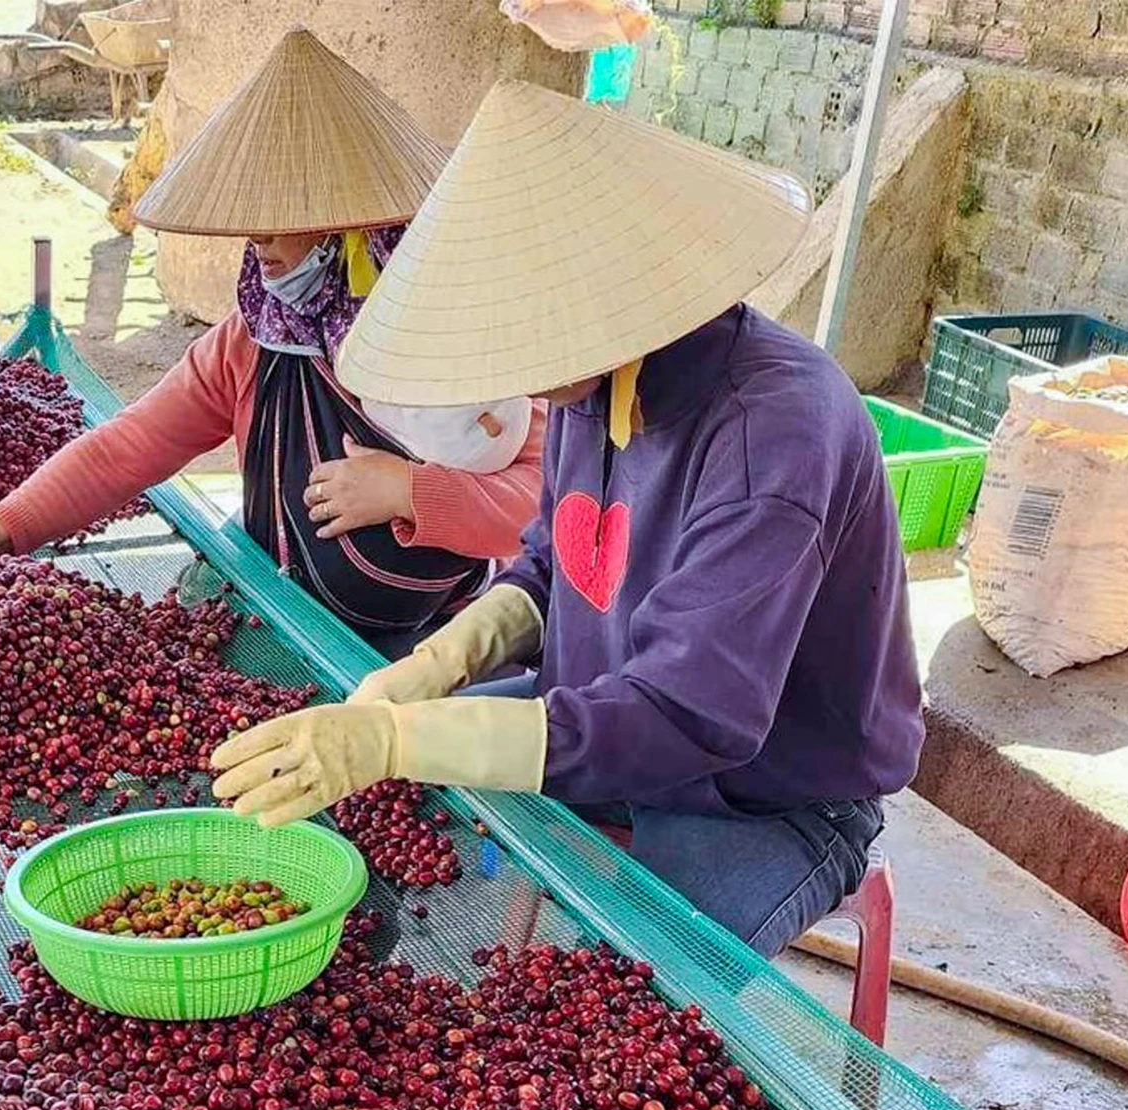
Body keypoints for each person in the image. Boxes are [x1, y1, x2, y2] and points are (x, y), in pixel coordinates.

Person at [210, 84, 925, 959]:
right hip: (595, 706)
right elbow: (553, 566)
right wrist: (440, 664)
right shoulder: (600, 381)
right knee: (368, 807)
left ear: (602, 302)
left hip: (767, 790)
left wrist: (396, 738)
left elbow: (689, 713)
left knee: (629, 1005)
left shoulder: (772, 438)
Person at [0, 28, 546, 656]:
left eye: (279, 224)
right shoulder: (257, 337)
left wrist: (408, 491)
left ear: (350, 232)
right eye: (251, 224)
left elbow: (546, 502)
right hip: (273, 601)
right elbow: (126, 449)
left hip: (425, 642)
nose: (257, 244)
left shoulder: (452, 342)